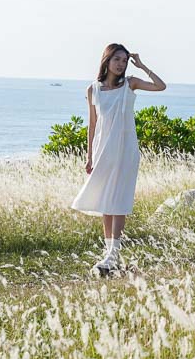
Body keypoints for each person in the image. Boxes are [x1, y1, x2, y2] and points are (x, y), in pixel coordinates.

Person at [70, 43, 166, 274]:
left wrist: (141, 65)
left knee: (119, 200)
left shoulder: (130, 84)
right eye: (117, 60)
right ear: (107, 61)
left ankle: (113, 254)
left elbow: (160, 86)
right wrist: (89, 156)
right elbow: (92, 125)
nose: (121, 64)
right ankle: (109, 253)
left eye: (124, 60)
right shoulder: (92, 89)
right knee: (105, 200)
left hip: (125, 150)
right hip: (103, 150)